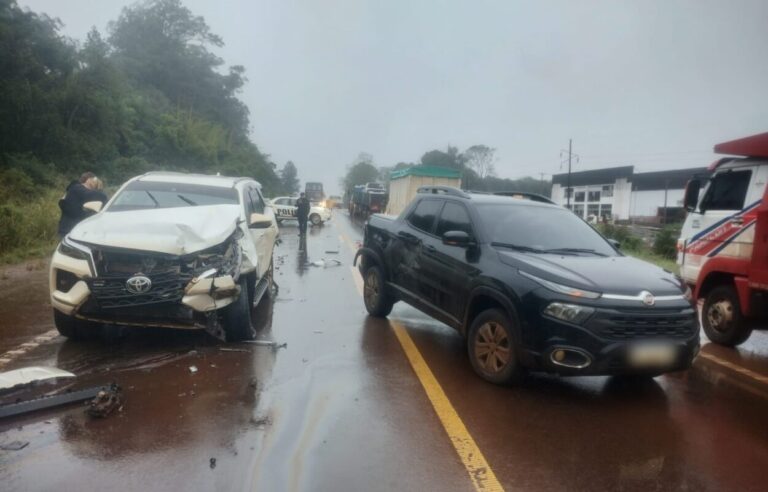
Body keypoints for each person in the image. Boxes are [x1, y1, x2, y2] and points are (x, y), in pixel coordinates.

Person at [58, 172, 108, 237]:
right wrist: (100, 190)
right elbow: (96, 195)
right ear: (89, 179)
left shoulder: (81, 190)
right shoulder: (77, 187)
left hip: (75, 228)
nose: (97, 182)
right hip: (68, 229)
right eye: (95, 179)